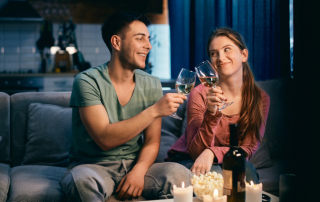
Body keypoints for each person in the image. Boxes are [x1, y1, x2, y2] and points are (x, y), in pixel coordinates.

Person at [60, 12, 191, 201]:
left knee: (180, 176)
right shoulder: (87, 81)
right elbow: (104, 138)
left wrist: (138, 171)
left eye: (148, 39)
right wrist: (154, 110)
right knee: (81, 183)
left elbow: (152, 141)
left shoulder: (152, 83)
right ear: (116, 43)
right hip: (94, 167)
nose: (148, 45)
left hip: (136, 165)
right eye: (140, 39)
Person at [165, 27, 270, 183]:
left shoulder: (261, 98)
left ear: (244, 55)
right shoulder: (199, 94)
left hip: (224, 158)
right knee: (216, 176)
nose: (220, 57)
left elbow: (248, 148)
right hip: (189, 158)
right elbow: (196, 152)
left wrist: (212, 153)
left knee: (246, 172)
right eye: (214, 53)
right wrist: (211, 114)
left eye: (227, 49)